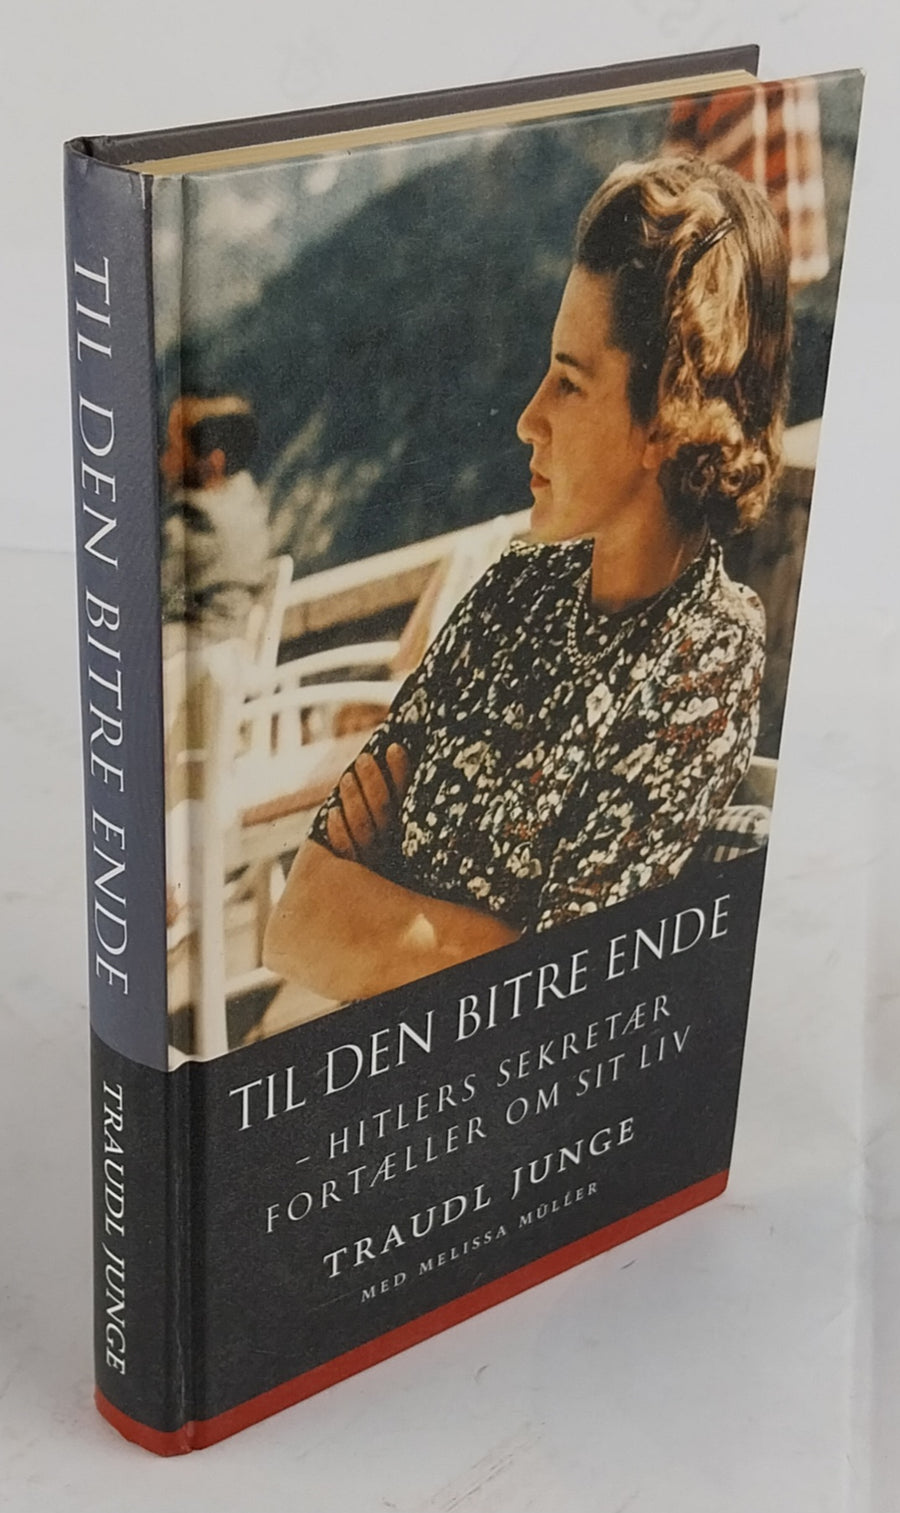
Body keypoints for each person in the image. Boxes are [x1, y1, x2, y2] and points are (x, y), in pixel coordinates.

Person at [263, 156, 791, 1005]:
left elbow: (554, 995)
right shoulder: (518, 586)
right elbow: (297, 923)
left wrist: (376, 894)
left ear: (668, 413)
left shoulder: (708, 651)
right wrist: (483, 938)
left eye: (570, 382)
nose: (528, 417)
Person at [160, 391, 272, 641]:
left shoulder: (196, 525)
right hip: (233, 645)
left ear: (213, 462)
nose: (164, 460)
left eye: (174, 448)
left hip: (203, 650)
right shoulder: (248, 501)